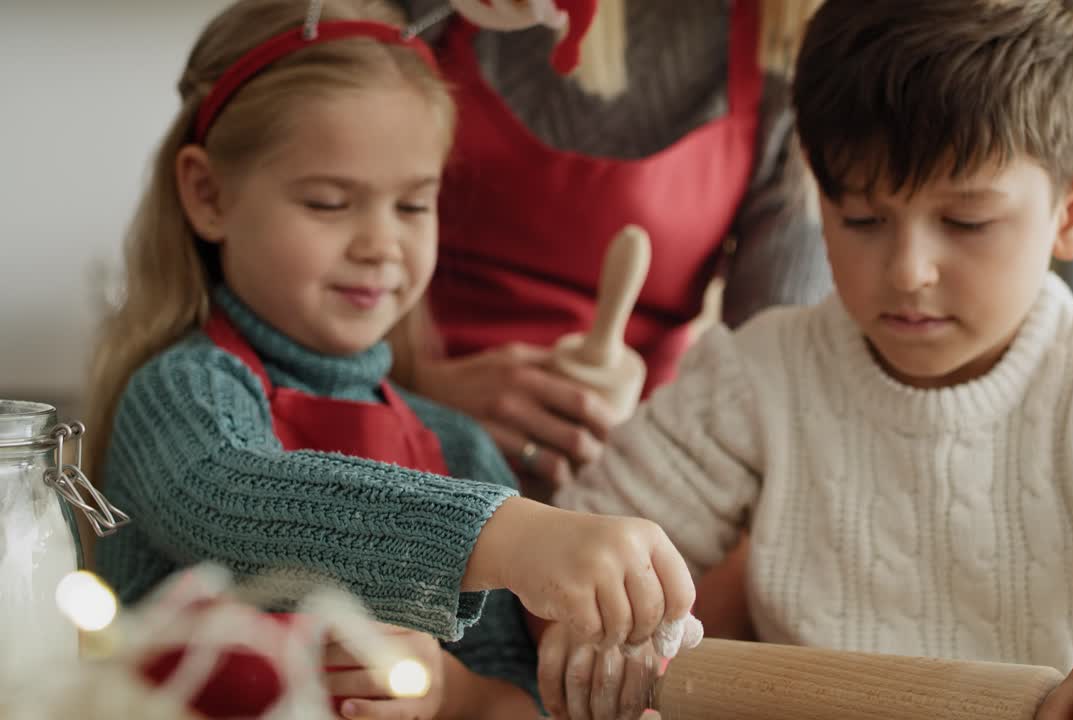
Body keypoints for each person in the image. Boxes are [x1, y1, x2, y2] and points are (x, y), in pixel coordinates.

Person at [548, 1, 1073, 719]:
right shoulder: (758, 375)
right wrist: (603, 639)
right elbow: (567, 565)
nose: (907, 270)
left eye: (965, 221)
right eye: (861, 218)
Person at [83, 1, 697, 718]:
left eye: (413, 207)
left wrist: (449, 690)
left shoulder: (458, 446)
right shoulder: (179, 394)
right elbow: (227, 499)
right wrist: (513, 535)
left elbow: (518, 700)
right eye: (329, 202)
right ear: (207, 193)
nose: (381, 244)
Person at [393, 0, 830, 494]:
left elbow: (771, 396)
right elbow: (298, 252)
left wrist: (639, 459)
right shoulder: (446, 13)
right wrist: (414, 386)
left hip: (622, 485)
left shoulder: (793, 54)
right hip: (380, 425)